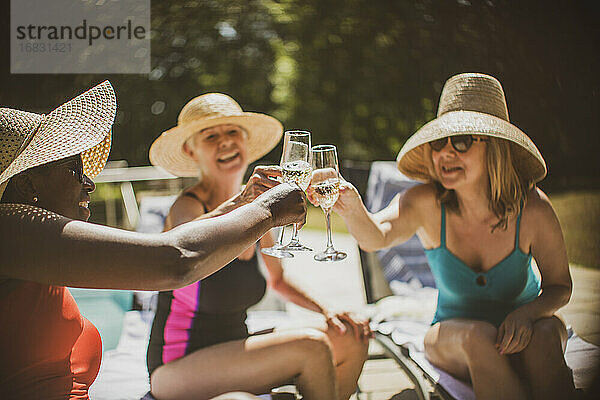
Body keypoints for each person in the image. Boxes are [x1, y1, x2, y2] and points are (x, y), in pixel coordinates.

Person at [0, 81, 307, 400]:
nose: (89, 183)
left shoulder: (34, 252)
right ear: (26, 183)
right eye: (73, 170)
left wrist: (240, 203)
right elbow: (173, 260)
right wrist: (268, 209)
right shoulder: (11, 231)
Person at [310, 73, 575, 400]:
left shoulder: (533, 208)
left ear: (494, 147)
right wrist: (350, 206)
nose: (445, 153)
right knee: (478, 335)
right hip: (453, 337)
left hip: (526, 330)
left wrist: (527, 313)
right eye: (438, 142)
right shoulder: (424, 202)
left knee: (548, 331)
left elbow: (560, 287)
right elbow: (375, 237)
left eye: (461, 141)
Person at [145, 93, 371, 400]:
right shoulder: (187, 206)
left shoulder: (256, 208)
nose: (225, 142)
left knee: (351, 336)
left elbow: (278, 279)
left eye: (232, 132)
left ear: (246, 142)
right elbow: (185, 241)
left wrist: (328, 311)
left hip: (237, 350)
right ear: (191, 149)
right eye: (211, 136)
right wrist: (242, 202)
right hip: (178, 366)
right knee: (312, 348)